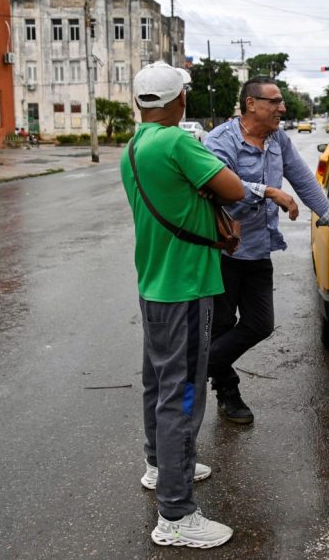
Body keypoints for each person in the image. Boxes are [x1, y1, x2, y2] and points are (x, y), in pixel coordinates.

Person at [120, 61, 244, 547]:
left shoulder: (133, 147)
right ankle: (175, 514)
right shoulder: (176, 142)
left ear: (138, 102)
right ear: (181, 100)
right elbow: (233, 189)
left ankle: (160, 466)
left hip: (155, 283)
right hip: (186, 287)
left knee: (158, 382)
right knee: (183, 396)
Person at [203, 76, 329, 424]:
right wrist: (268, 191)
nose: (282, 108)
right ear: (251, 104)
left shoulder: (278, 140)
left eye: (282, 101)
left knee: (260, 324)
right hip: (223, 251)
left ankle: (196, 367)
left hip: (258, 249)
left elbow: (302, 179)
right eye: (275, 101)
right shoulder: (220, 140)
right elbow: (220, 188)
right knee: (223, 326)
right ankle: (227, 392)